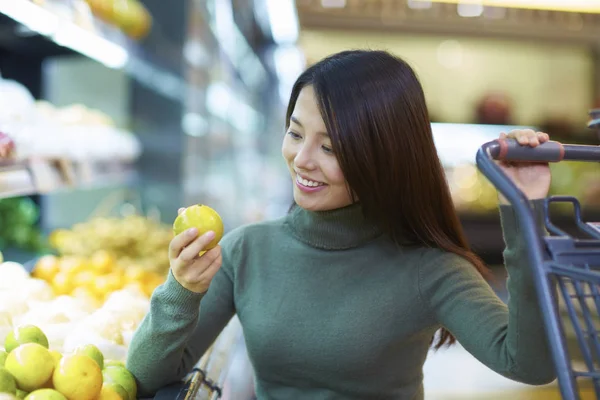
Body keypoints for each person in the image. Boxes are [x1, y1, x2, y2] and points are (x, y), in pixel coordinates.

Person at [127, 50, 556, 399]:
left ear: (382, 157)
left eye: (330, 147)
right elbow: (144, 376)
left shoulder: (430, 268)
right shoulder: (247, 250)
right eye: (296, 134)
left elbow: (530, 363)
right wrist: (181, 291)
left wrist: (524, 212)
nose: (302, 160)